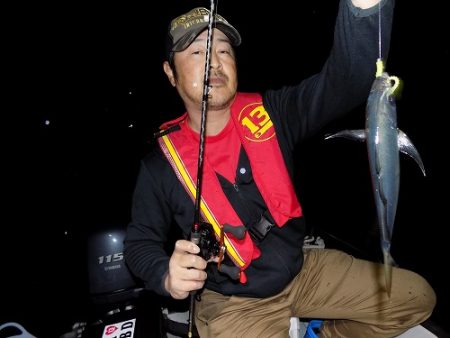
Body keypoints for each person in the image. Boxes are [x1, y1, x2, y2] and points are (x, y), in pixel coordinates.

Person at [123, 0, 436, 337]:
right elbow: (140, 243)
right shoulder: (159, 164)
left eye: (225, 51)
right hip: (234, 302)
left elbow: (348, 80)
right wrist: (166, 276)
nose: (214, 61)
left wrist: (364, 9)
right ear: (170, 72)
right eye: (197, 52)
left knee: (417, 297)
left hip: (303, 271)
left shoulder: (273, 112)